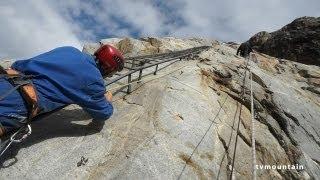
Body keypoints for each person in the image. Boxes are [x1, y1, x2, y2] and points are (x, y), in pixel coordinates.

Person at [0, 44, 125, 137]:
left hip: (7, 79)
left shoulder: (69, 50)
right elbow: (103, 113)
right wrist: (107, 100)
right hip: (19, 102)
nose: (111, 76)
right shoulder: (95, 81)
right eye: (112, 72)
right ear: (109, 68)